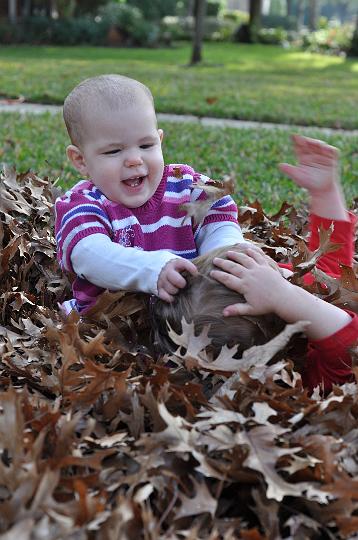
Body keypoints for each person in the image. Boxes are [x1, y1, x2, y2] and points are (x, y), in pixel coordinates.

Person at [151, 135, 358, 393]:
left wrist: (325, 192)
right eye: (279, 280)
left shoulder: (287, 293)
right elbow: (351, 344)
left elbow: (330, 269)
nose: (283, 271)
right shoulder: (319, 375)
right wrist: (287, 294)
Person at [55, 74, 246, 314]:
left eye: (146, 146)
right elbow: (90, 256)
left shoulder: (183, 185)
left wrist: (223, 257)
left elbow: (218, 217)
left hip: (190, 316)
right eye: (114, 151)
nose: (135, 159)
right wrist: (153, 270)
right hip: (113, 328)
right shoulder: (83, 205)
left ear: (160, 140)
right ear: (81, 160)